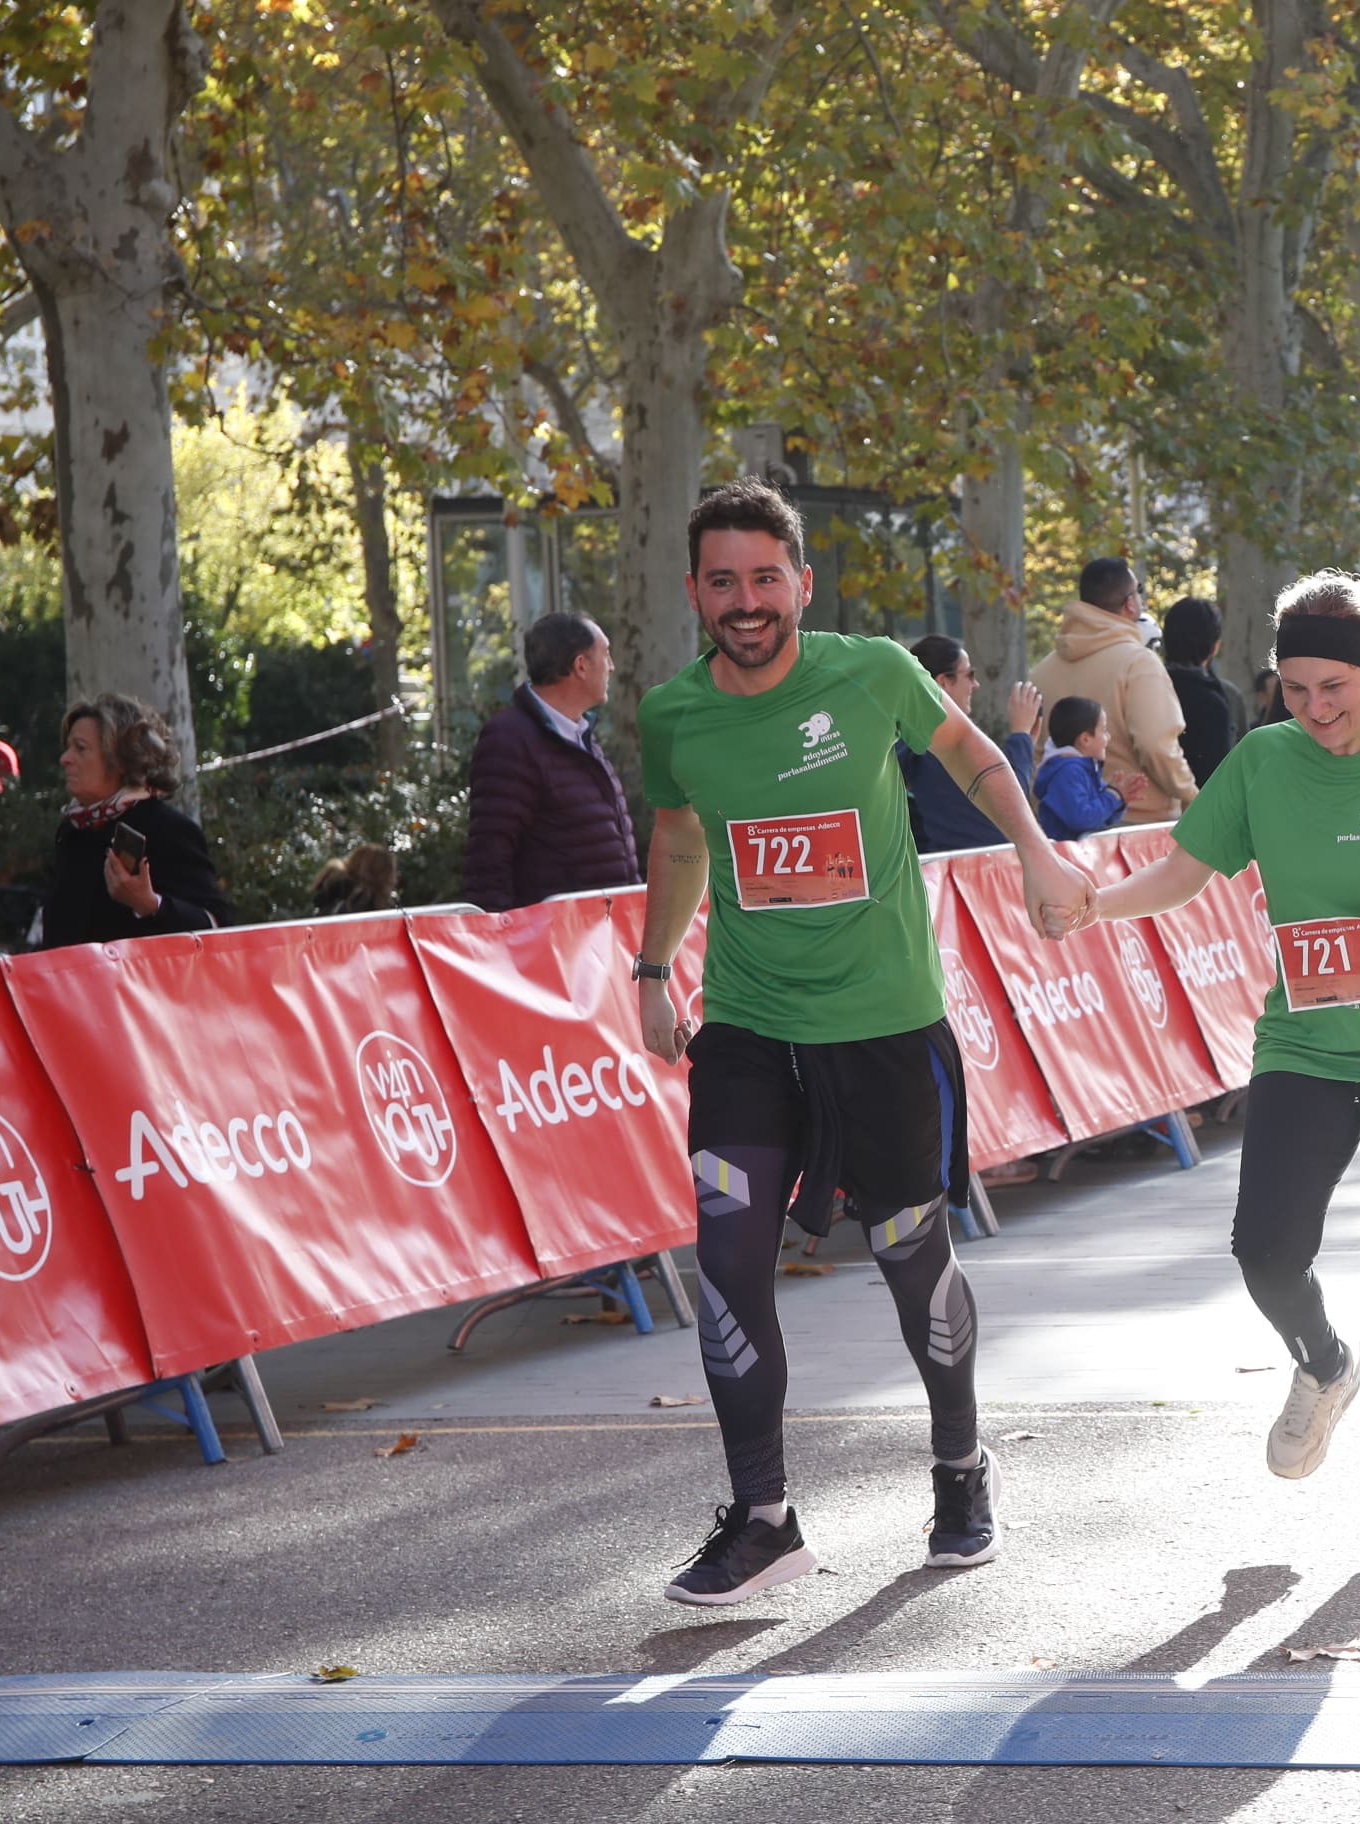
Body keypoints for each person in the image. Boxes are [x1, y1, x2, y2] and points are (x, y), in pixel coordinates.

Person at [633, 479, 1094, 1602]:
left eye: (765, 577)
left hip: (883, 1025)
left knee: (907, 1254)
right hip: (748, 1023)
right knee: (729, 1259)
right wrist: (654, 967)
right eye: (723, 581)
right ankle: (763, 1518)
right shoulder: (673, 714)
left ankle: (959, 1468)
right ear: (696, 592)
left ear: (800, 581)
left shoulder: (874, 671)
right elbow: (681, 834)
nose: (746, 600)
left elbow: (977, 755)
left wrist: (1035, 847)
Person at [1067, 571, 1360, 1539]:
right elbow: (1182, 871)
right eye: (1298, 688)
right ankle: (1325, 1362)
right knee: (1266, 1250)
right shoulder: (1266, 760)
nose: (1317, 710)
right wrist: (1092, 902)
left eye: (1338, 688)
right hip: (1308, 1042)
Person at [463, 611, 641, 912]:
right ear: (581, 666)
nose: (611, 666)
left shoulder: (580, 735)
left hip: (601, 936)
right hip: (551, 943)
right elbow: (489, 857)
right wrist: (499, 943)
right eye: (606, 655)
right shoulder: (510, 739)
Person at [39, 694, 233, 950]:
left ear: (118, 760)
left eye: (80, 748)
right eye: (68, 747)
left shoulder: (166, 828)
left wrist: (150, 904)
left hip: (141, 989)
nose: (65, 758)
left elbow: (217, 928)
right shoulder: (73, 830)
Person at [1033, 558, 1195, 824]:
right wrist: (1191, 795)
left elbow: (1034, 756)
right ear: (1130, 603)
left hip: (1060, 835)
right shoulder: (1138, 663)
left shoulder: (1041, 672)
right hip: (1140, 830)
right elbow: (1155, 745)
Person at [903, 635, 1041, 853]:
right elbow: (1011, 803)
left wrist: (1024, 742)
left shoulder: (913, 743)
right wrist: (1020, 735)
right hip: (979, 871)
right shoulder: (939, 743)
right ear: (943, 682)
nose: (975, 685)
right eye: (970, 674)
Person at [1162, 597, 1247, 785]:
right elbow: (1221, 777)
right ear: (1214, 646)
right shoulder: (1215, 701)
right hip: (1197, 807)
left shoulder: (1145, 687)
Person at [1034, 697, 1135, 840]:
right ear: (1085, 739)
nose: (1108, 737)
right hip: (1065, 856)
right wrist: (1113, 795)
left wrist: (1119, 799)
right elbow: (1081, 819)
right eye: (1104, 730)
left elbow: (1100, 820)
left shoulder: (1083, 768)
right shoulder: (1069, 772)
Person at [312, 843, 399, 916]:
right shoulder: (354, 910)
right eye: (389, 874)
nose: (394, 880)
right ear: (375, 875)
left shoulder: (334, 902)